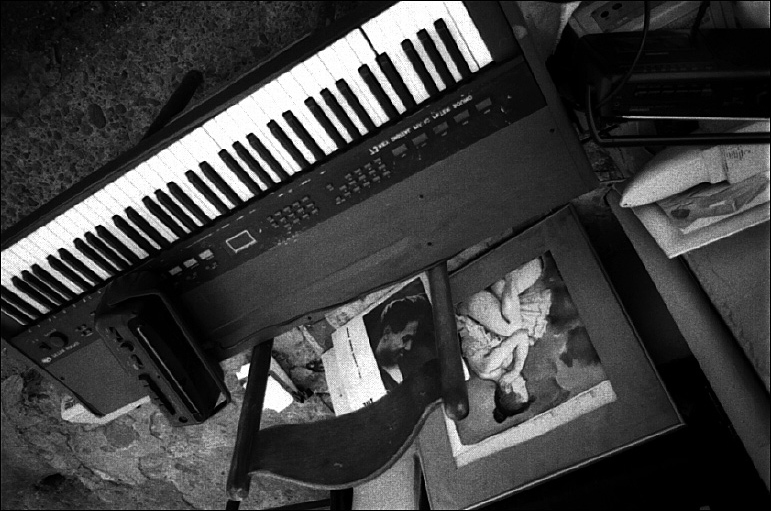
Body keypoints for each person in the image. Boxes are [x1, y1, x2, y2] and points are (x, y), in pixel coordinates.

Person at [369, 292, 437, 391]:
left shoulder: (414, 367)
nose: (408, 347)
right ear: (387, 332)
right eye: (405, 339)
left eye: (411, 339)